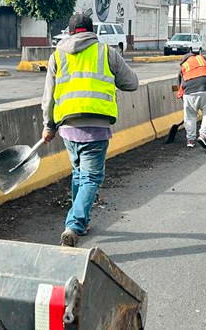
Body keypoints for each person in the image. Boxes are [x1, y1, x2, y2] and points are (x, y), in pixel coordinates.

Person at [41, 13, 139, 247]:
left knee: (79, 174)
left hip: (68, 127)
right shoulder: (106, 52)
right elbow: (132, 83)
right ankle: (74, 225)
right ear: (91, 30)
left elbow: (49, 96)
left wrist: (48, 126)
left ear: (70, 31)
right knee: (91, 177)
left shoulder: (58, 55)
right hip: (96, 126)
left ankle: (81, 223)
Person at [178, 48, 206, 150]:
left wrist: (184, 98)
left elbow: (180, 83)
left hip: (188, 92)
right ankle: (203, 135)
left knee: (189, 116)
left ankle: (190, 140)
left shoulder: (184, 65)